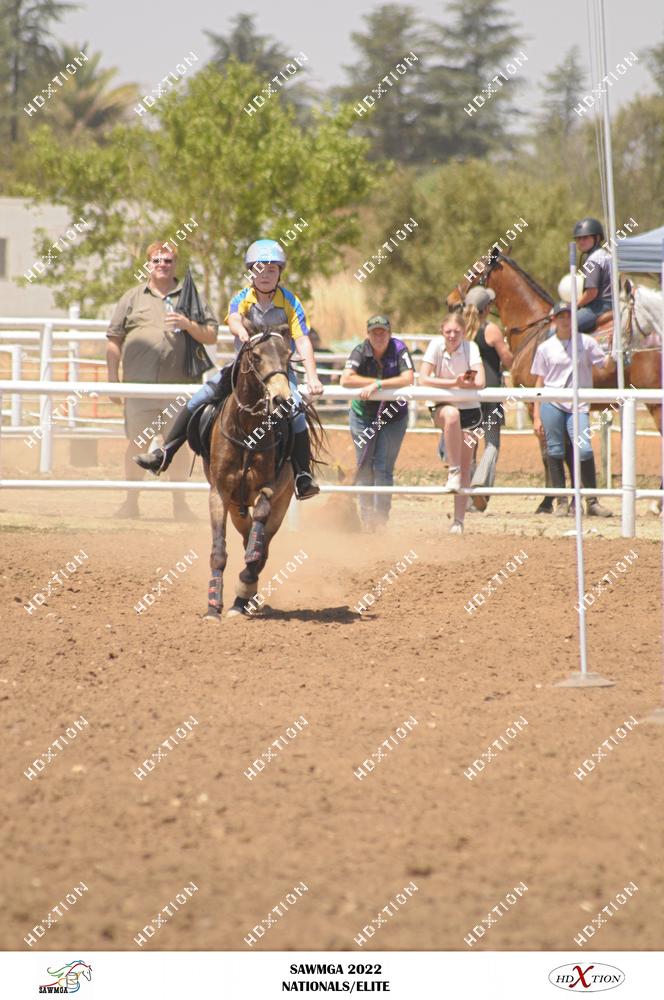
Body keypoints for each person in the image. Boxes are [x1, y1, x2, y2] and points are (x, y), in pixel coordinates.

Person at [134, 239, 323, 499]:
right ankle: (164, 454)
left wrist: (312, 377)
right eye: (259, 269)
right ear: (251, 272)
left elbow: (302, 341)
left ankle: (303, 475)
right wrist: (240, 329)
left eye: (272, 270)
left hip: (277, 372)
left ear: (280, 273)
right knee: (198, 399)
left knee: (297, 411)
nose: (265, 275)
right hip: (243, 370)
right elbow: (233, 318)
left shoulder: (291, 302)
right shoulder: (242, 298)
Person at [106, 241, 218, 520]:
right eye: (156, 260)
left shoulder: (191, 297)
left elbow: (212, 335)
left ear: (175, 264)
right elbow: (114, 341)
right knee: (137, 444)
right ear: (148, 264)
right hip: (139, 389)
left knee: (176, 447)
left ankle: (180, 504)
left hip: (178, 389)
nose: (162, 265)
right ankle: (131, 503)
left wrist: (188, 325)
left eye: (168, 261)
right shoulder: (132, 298)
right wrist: (112, 380)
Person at [531, 302, 612, 517]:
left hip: (578, 405)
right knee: (555, 450)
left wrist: (615, 353)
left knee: (584, 449)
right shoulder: (545, 348)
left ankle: (592, 501)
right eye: (561, 316)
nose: (565, 320)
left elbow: (604, 364)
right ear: (554, 320)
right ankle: (561, 502)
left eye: (568, 316)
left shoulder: (586, 342)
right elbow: (539, 382)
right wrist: (536, 414)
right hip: (552, 402)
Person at [339, 315, 414, 530]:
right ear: (368, 334)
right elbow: (346, 379)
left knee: (383, 468)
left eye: (383, 332)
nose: (379, 336)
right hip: (363, 415)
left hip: (393, 416)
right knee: (364, 468)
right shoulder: (360, 350)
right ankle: (367, 519)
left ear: (390, 333)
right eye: (375, 333)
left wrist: (378, 386)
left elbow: (408, 378)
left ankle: (380, 520)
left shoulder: (399, 348)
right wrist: (378, 383)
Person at [420, 312, 485, 534]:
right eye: (448, 331)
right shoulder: (435, 345)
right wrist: (454, 384)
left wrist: (463, 384)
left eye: (456, 331)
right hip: (444, 407)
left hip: (471, 413)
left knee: (467, 467)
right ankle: (452, 471)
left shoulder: (471, 347)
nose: (452, 335)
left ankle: (458, 521)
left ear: (463, 332)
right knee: (451, 415)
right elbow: (423, 378)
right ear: (442, 331)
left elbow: (481, 381)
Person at [463, 286, 513, 512]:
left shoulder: (462, 330)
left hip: (469, 394)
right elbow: (507, 359)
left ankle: (467, 497)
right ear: (487, 308)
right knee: (492, 443)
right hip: (491, 392)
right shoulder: (491, 330)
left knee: (469, 445)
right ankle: (480, 484)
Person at [573, 217, 613, 333]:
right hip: (613, 303)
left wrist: (575, 305)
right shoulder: (606, 255)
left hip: (599, 307)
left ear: (597, 238)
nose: (581, 241)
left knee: (563, 326)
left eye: (585, 237)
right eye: (578, 238)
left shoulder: (593, 260)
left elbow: (592, 292)